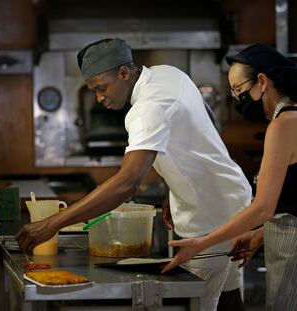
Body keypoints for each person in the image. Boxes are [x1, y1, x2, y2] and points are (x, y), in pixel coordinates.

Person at [16, 38, 252, 311]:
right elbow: (204, 121)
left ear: (124, 73)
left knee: (197, 302)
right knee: (229, 296)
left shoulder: (146, 109)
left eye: (102, 88)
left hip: (209, 218)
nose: (99, 98)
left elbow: (127, 182)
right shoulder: (168, 73)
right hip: (235, 201)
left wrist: (52, 224)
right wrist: (171, 186)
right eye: (92, 91)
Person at [161, 43, 297, 311]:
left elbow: (262, 207)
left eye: (238, 90)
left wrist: (202, 243)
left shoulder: (284, 124)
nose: (237, 99)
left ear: (261, 81)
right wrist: (261, 234)